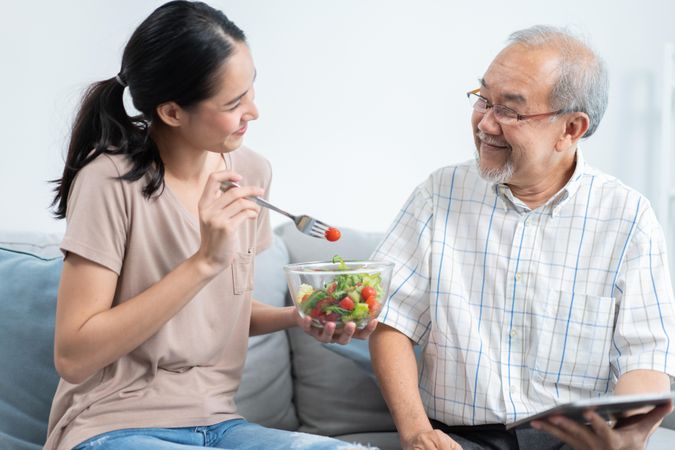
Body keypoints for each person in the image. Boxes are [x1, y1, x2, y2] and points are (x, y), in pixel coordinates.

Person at [45, 2, 375, 449]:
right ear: (173, 112)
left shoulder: (251, 173)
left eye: (251, 90)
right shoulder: (109, 181)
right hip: (113, 422)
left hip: (220, 422)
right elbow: (74, 356)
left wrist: (299, 317)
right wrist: (203, 261)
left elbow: (222, 313)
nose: (253, 112)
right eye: (234, 102)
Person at [369, 25, 675, 450]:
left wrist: (625, 437)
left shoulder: (628, 217)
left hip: (578, 442)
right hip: (459, 438)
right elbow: (390, 324)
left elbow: (646, 358)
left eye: (510, 111)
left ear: (571, 129)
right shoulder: (440, 194)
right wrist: (418, 432)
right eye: (483, 98)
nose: (485, 123)